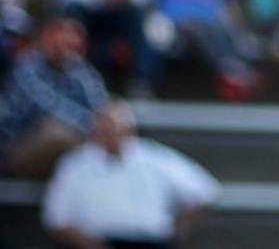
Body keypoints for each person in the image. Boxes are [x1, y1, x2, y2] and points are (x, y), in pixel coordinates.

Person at [42, 97, 220, 248]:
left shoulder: (154, 157)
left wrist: (177, 232)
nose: (111, 134)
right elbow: (57, 218)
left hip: (151, 243)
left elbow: (205, 189)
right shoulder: (76, 163)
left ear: (129, 129)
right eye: (105, 127)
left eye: (116, 128)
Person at [0, 13, 106, 177]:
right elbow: (48, 107)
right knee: (58, 135)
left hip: (75, 140)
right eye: (58, 33)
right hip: (17, 147)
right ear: (44, 37)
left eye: (72, 34)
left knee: (117, 123)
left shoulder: (81, 70)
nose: (64, 39)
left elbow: (101, 107)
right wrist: (94, 127)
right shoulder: (27, 65)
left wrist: (103, 125)